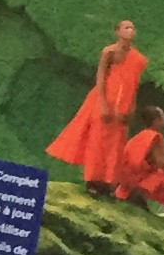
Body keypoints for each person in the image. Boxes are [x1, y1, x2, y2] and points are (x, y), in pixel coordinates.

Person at [46, 20, 144, 195]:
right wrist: (103, 104)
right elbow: (100, 78)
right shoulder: (109, 52)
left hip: (123, 105)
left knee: (116, 143)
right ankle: (92, 181)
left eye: (132, 28)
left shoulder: (136, 58)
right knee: (97, 140)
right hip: (104, 99)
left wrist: (131, 107)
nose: (130, 31)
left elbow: (134, 85)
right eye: (126, 28)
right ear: (117, 31)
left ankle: (108, 182)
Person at [118, 104, 164, 208]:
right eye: (162, 116)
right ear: (155, 121)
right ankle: (138, 194)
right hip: (136, 179)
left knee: (159, 173)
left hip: (124, 177)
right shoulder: (155, 137)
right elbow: (161, 163)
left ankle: (135, 193)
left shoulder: (142, 134)